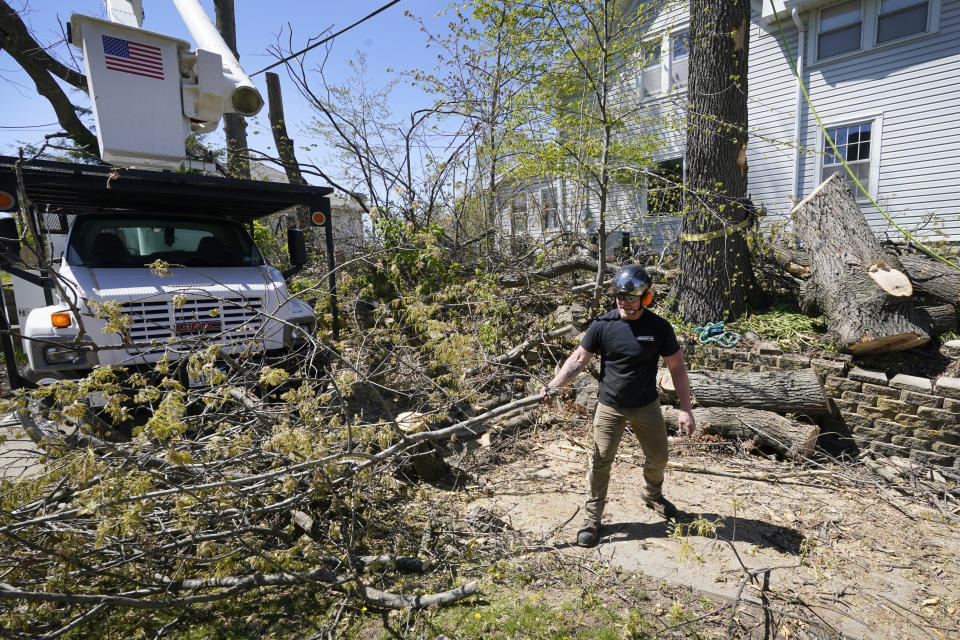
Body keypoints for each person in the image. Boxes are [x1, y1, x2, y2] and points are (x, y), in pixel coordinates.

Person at [544, 265, 696, 547]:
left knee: (659, 457)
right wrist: (554, 387)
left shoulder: (659, 328)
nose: (623, 303)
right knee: (600, 462)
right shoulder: (603, 325)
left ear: (645, 298)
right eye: (619, 297)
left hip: (646, 406)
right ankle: (592, 519)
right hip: (610, 407)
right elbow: (578, 360)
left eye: (630, 298)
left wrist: (685, 409)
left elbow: (677, 368)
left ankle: (652, 496)